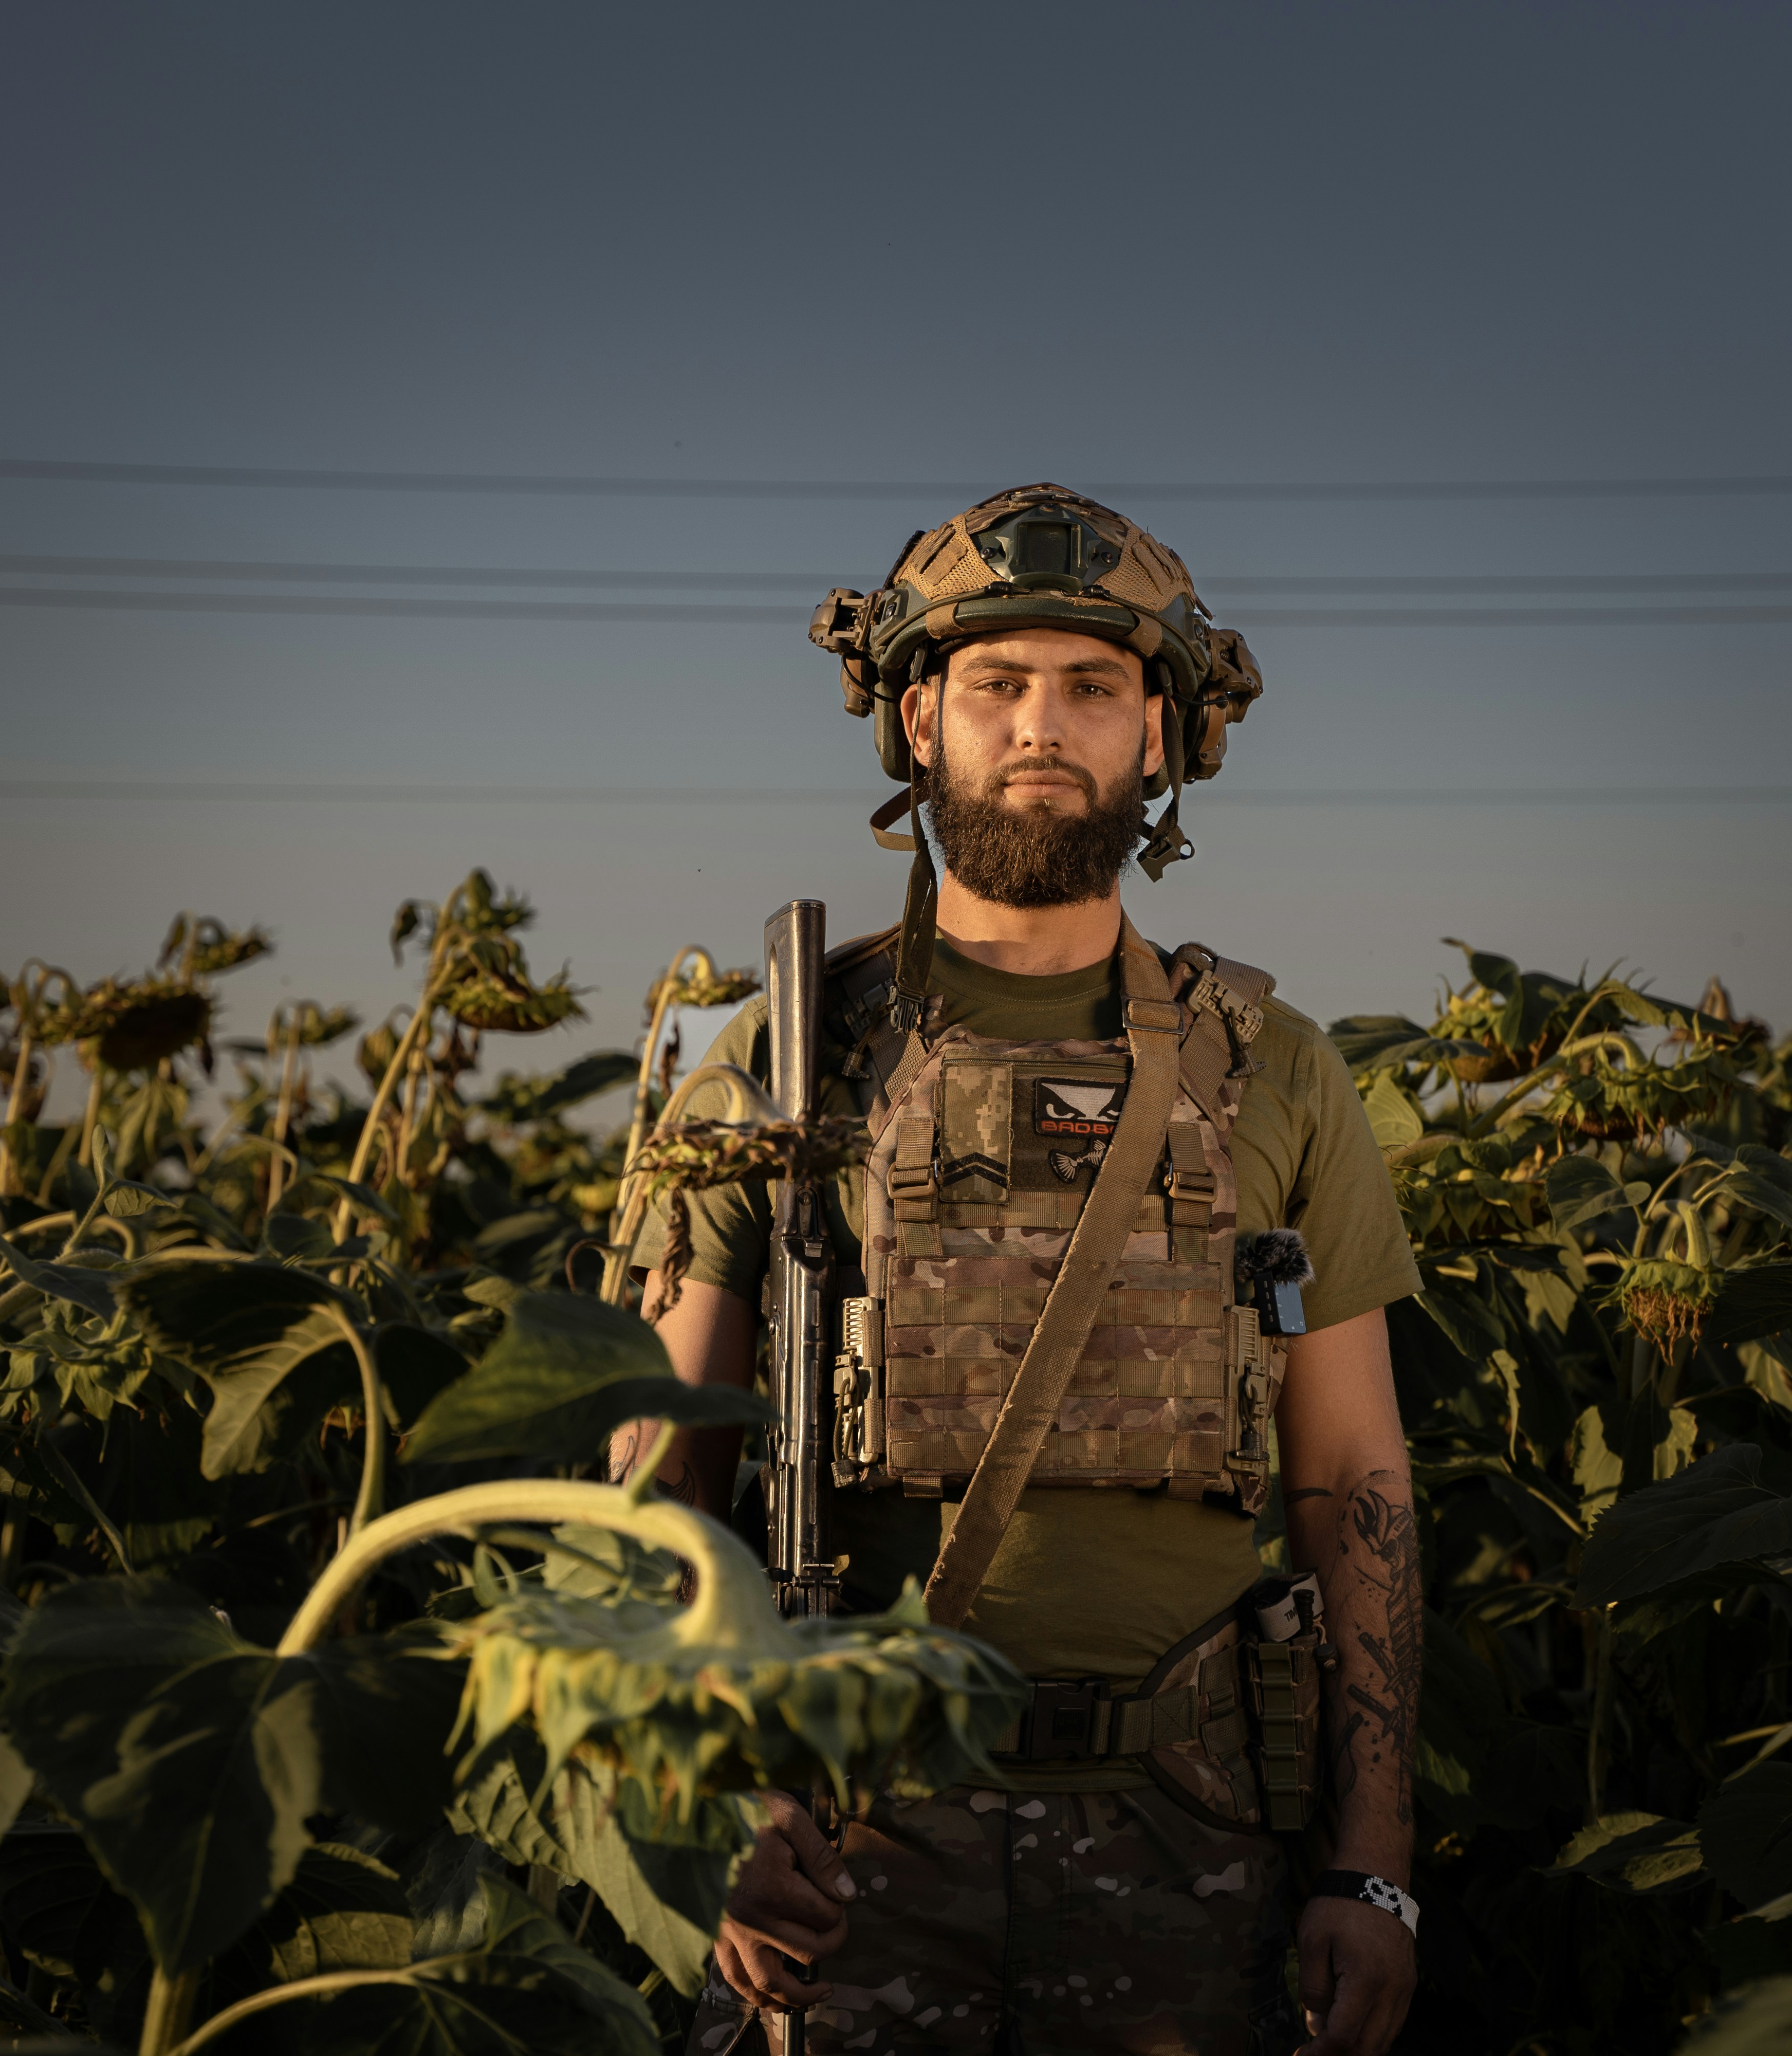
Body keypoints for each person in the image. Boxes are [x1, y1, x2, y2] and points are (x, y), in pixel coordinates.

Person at [615, 485, 1422, 2056]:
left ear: (1161, 737)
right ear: (918, 720)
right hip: (844, 1852)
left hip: (1191, 1845)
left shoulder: (1278, 1070)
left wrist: (1374, 1865)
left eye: (1091, 687)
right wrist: (698, 1807)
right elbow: (657, 1483)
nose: (1039, 726)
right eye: (994, 685)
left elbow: (1355, 1489)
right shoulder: (783, 1056)